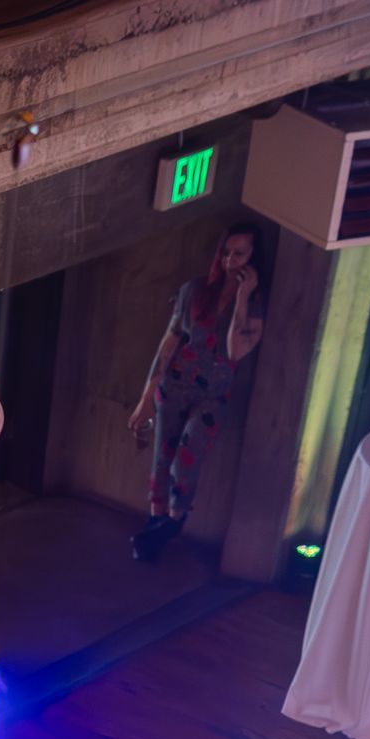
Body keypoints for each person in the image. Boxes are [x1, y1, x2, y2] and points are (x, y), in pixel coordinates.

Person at [127, 220, 265, 559]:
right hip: (174, 386)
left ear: (253, 258)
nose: (232, 260)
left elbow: (234, 351)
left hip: (212, 396)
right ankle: (155, 526)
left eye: (241, 254)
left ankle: (173, 521)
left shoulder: (255, 304)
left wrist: (243, 298)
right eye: (227, 253)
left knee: (187, 458)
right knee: (162, 457)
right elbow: (169, 342)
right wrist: (146, 399)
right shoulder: (194, 290)